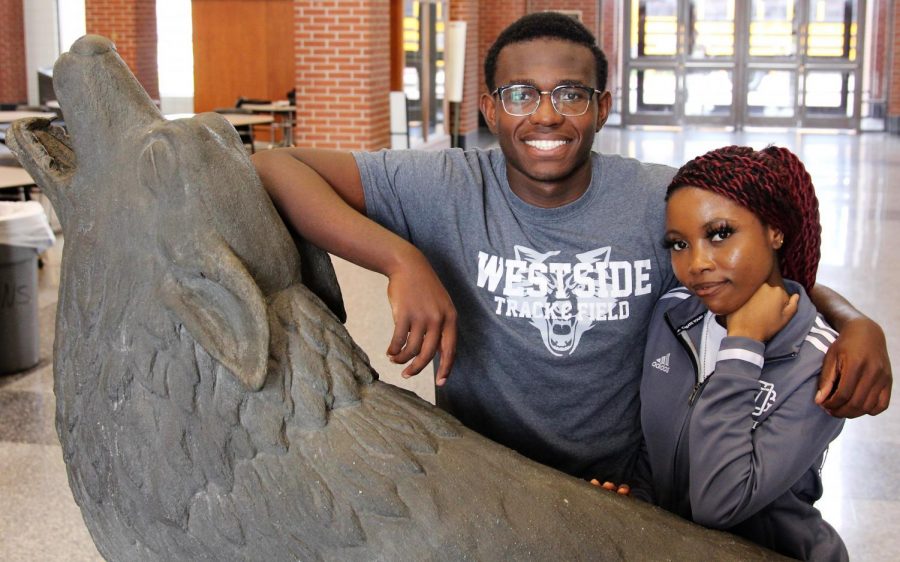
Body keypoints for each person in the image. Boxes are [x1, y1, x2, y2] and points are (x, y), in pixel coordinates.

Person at [252, 13, 891, 482]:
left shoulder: (654, 198)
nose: (547, 115)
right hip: (484, 476)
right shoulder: (447, 184)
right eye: (521, 94)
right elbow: (279, 167)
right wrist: (400, 258)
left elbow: (757, 270)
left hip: (620, 480)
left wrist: (852, 322)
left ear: (602, 107)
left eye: (571, 94)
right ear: (490, 108)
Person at [634, 145, 847, 560]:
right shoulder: (672, 315)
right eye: (679, 244)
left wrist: (744, 344)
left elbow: (720, 502)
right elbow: (650, 447)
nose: (696, 263)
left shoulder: (819, 363)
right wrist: (633, 500)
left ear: (775, 231)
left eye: (720, 234)